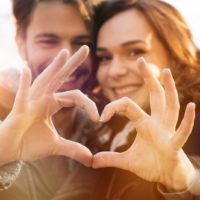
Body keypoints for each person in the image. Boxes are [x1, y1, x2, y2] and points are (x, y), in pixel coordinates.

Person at [85, 0, 200, 199]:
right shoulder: (101, 135)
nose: (114, 71)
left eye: (134, 52)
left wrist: (184, 182)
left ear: (175, 53)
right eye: (105, 57)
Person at [0, 45, 99, 189]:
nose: (69, 54)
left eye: (80, 42)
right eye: (48, 41)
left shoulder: (102, 130)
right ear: (21, 44)